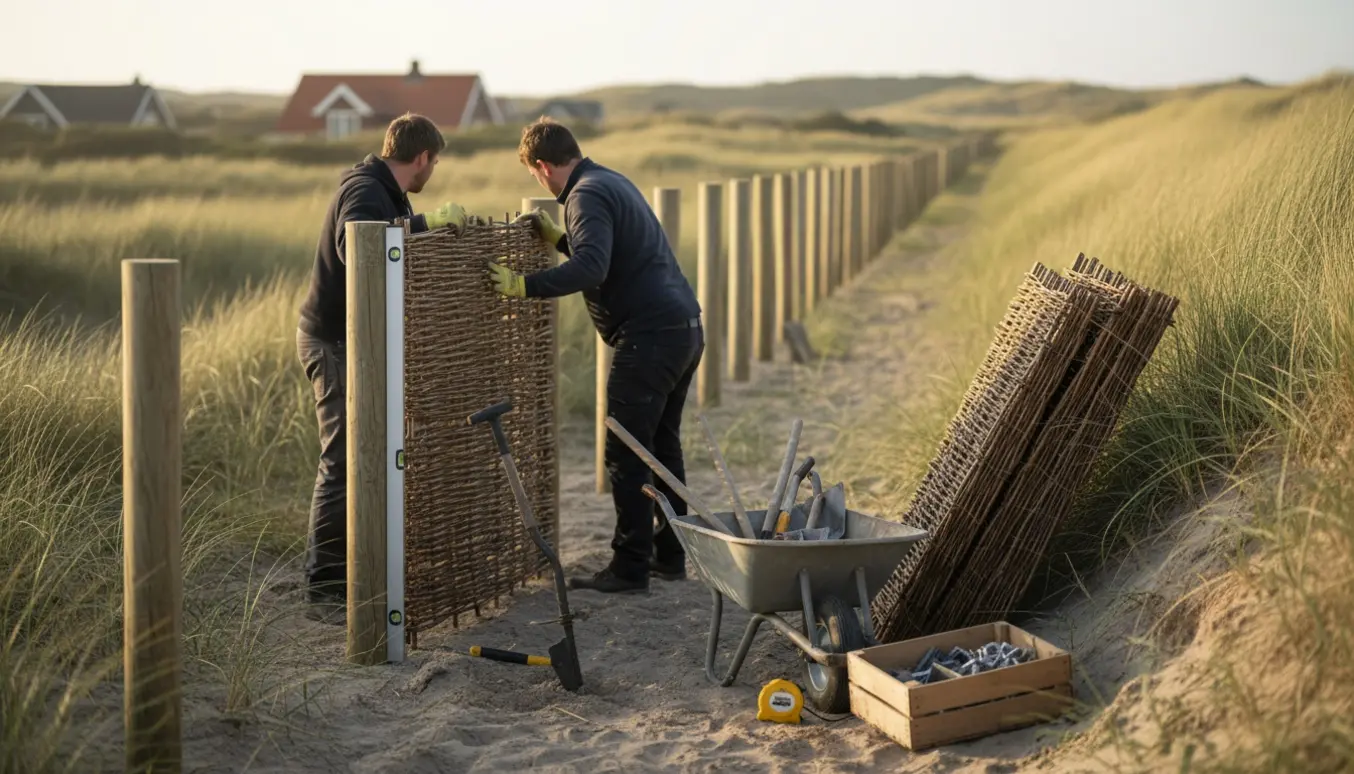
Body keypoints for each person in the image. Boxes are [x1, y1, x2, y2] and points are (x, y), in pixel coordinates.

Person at [492, 117, 704, 594]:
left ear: (542, 166)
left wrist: (524, 286)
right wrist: (559, 240)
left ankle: (629, 567)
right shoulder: (608, 180)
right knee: (660, 448)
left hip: (650, 340)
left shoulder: (585, 196)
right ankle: (671, 556)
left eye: (534, 175)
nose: (539, 183)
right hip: (683, 330)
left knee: (626, 453)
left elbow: (593, 267)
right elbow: (608, 253)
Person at [296, 112, 471, 623]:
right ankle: (325, 587)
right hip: (332, 343)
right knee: (342, 459)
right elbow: (359, 249)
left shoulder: (388, 194)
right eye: (434, 163)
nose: (433, 172)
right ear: (422, 157)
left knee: (369, 452)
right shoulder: (365, 190)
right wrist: (424, 224)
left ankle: (358, 567)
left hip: (356, 342)